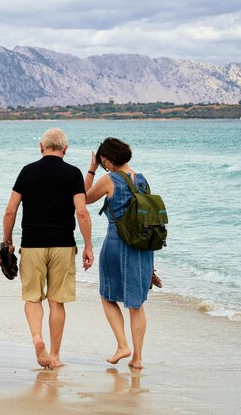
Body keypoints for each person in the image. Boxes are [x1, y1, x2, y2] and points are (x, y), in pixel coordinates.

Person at [2, 128, 94, 370]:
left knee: (33, 298)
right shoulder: (73, 173)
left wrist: (7, 240)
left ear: (41, 148)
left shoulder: (27, 171)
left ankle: (36, 338)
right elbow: (82, 211)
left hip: (32, 245)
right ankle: (54, 355)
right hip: (63, 245)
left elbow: (11, 209)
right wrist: (88, 246)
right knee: (57, 302)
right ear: (65, 149)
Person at [84, 137, 153, 369]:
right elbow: (148, 221)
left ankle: (122, 345)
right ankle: (138, 358)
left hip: (116, 244)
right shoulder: (142, 180)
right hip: (142, 248)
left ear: (107, 159)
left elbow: (83, 198)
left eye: (103, 162)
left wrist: (92, 169)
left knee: (107, 295)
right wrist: (151, 267)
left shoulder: (109, 179)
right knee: (137, 303)